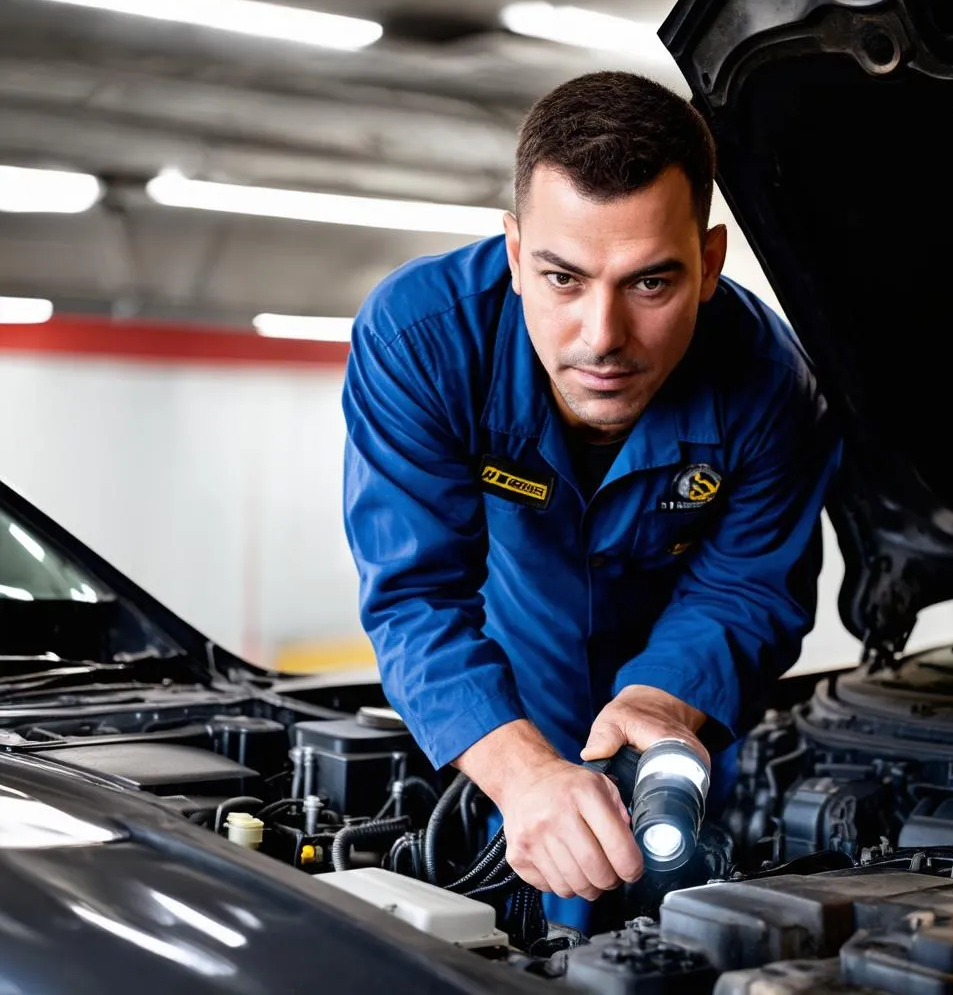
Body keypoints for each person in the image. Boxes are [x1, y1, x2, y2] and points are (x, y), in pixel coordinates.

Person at [342, 70, 840, 917]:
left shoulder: (771, 385)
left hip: (680, 700)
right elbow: (418, 591)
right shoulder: (421, 338)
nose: (602, 339)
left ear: (709, 262)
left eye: (651, 282)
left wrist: (660, 698)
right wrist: (519, 769)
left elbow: (747, 587)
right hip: (505, 681)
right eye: (562, 278)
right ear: (512, 252)